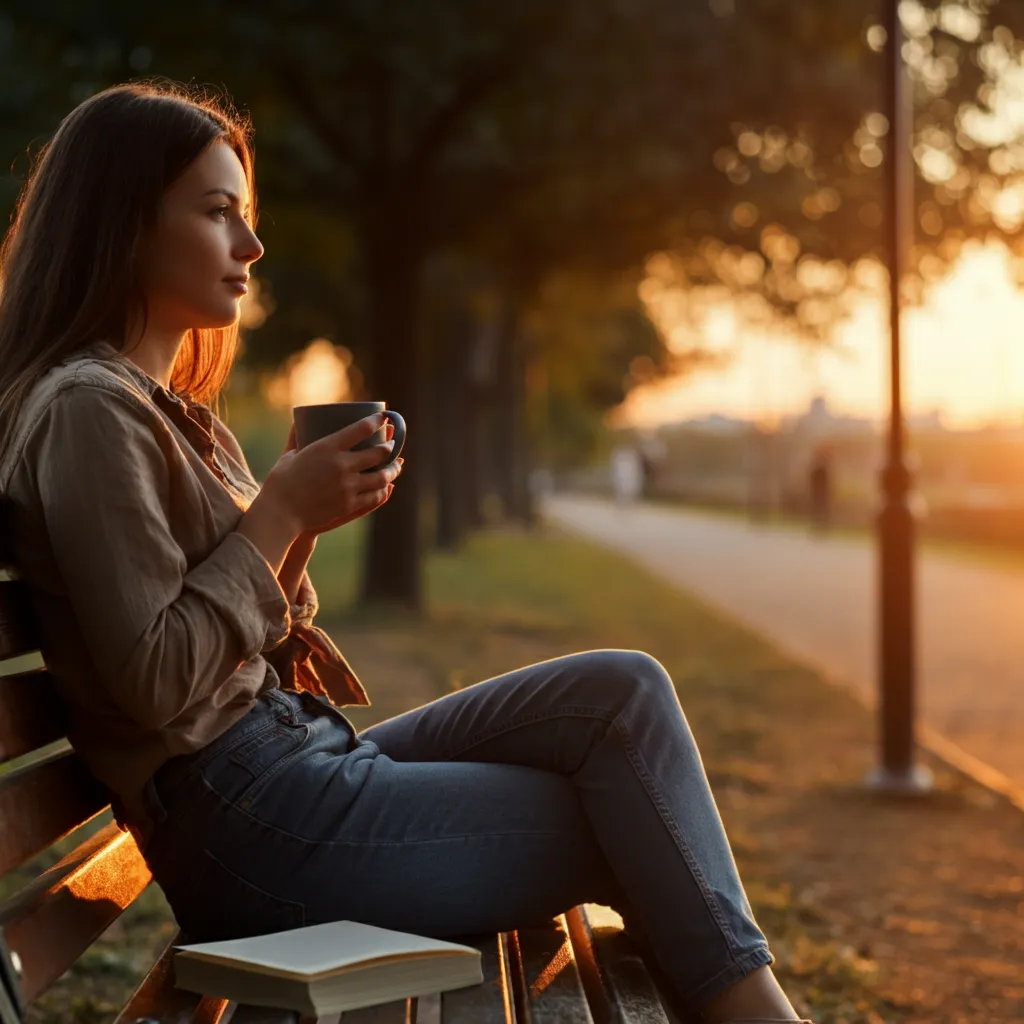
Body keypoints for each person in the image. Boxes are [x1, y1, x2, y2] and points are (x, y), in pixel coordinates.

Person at [0, 82, 812, 1024]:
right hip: (248, 826)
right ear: (123, 223)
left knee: (620, 697)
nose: (251, 247)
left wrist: (301, 520)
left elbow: (232, 643)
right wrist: (277, 513)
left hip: (283, 777)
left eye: (247, 216)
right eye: (218, 214)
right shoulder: (88, 411)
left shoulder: (168, 411)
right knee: (637, 818)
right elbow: (151, 680)